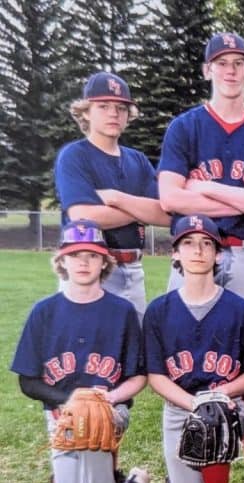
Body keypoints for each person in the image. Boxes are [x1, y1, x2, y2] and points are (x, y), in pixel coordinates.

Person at [157, 32, 244, 483]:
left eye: (239, 62)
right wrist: (240, 192)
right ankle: (179, 479)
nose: (231, 70)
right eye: (221, 62)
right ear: (208, 70)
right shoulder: (186, 127)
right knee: (181, 368)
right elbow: (171, 198)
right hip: (193, 254)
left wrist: (206, 185)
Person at [11, 219, 154, 483]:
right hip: (60, 420)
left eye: (92, 254)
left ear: (105, 261)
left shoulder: (121, 312)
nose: (84, 262)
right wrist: (69, 400)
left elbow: (138, 377)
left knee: (89, 415)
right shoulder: (44, 311)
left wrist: (109, 398)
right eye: (76, 255)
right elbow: (28, 381)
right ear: (61, 261)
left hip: (110, 412)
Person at [143, 214, 244, 483]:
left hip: (226, 405)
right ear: (175, 254)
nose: (198, 250)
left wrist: (216, 396)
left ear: (219, 254)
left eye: (207, 243)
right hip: (179, 408)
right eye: (188, 243)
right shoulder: (159, 311)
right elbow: (156, 376)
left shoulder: (240, 310)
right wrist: (193, 403)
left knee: (214, 416)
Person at [54, 71, 170, 320]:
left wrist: (117, 198)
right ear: (85, 111)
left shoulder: (137, 160)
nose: (113, 113)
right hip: (88, 269)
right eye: (103, 106)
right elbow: (83, 215)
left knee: (132, 353)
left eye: (121, 108)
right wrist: (140, 211)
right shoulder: (74, 155)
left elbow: (165, 213)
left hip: (134, 268)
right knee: (86, 352)